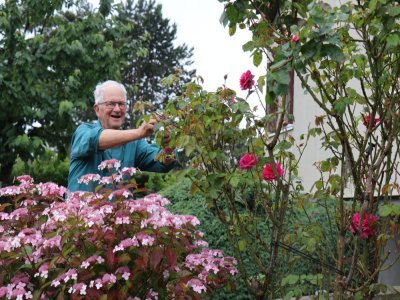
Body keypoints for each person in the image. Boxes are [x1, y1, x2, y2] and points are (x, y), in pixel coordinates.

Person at [68, 80, 175, 192]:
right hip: (79, 209)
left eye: (121, 104)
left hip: (120, 209)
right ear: (97, 109)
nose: (117, 109)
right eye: (111, 104)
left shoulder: (134, 144)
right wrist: (139, 132)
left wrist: (167, 150)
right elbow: (96, 139)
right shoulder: (83, 132)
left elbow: (161, 160)